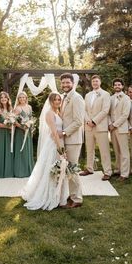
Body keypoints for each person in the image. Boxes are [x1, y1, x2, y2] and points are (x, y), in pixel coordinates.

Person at [21, 93, 69, 210]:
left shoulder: (58, 113)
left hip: (59, 142)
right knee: (52, 168)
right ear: (50, 101)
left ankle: (59, 194)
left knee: (58, 168)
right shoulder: (49, 114)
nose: (57, 102)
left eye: (59, 100)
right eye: (55, 100)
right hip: (53, 144)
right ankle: (50, 195)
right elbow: (53, 133)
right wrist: (60, 149)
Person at [58, 73, 85, 208]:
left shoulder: (77, 98)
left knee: (73, 169)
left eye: (67, 82)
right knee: (68, 168)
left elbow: (78, 121)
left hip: (73, 139)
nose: (65, 85)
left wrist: (64, 132)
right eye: (63, 83)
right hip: (65, 140)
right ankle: (72, 194)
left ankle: (77, 199)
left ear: (73, 83)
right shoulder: (64, 98)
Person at [80, 74, 112, 180]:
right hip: (88, 126)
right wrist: (88, 120)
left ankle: (107, 171)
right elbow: (84, 110)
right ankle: (89, 168)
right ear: (91, 83)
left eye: (97, 81)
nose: (95, 83)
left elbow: (105, 110)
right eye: (93, 82)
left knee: (104, 150)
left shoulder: (106, 94)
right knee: (89, 149)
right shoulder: (88, 95)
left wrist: (94, 121)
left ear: (100, 82)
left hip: (100, 126)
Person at [109, 78, 130, 182]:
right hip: (112, 129)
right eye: (115, 85)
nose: (117, 86)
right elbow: (108, 113)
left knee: (124, 151)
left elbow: (125, 114)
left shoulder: (126, 98)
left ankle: (125, 173)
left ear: (122, 86)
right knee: (116, 150)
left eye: (119, 85)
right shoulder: (111, 98)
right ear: (113, 87)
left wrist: (115, 125)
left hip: (121, 128)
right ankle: (118, 169)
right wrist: (110, 124)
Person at [0, 91, 14, 178]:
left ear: (8, 98)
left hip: (8, 134)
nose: (3, 99)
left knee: (8, 151)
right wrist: (6, 126)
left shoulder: (10, 109)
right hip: (0, 133)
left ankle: (7, 172)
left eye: (5, 97)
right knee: (0, 152)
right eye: (2, 97)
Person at [14, 92, 34, 177]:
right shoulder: (17, 108)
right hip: (20, 132)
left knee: (27, 149)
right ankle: (20, 171)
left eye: (23, 97)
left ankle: (28, 169)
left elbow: (31, 118)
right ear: (18, 99)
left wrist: (31, 126)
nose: (22, 99)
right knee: (21, 149)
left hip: (28, 131)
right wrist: (22, 127)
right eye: (20, 98)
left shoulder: (29, 107)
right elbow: (13, 120)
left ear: (26, 98)